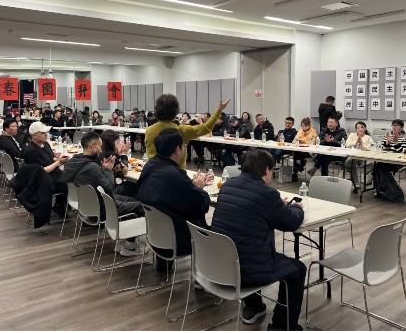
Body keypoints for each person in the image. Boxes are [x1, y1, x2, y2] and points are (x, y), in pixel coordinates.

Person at [211, 149, 305, 331]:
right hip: (247, 270)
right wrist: (296, 207)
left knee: (243, 245)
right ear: (266, 169)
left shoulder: (228, 186)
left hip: (220, 264)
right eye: (272, 170)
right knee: (297, 269)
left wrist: (278, 207)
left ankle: (254, 307)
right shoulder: (267, 194)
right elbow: (292, 222)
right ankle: (282, 327)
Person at [136, 128, 210, 272]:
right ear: (177, 149)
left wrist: (190, 186)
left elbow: (172, 196)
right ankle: (206, 276)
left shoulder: (151, 165)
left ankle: (163, 267)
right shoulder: (173, 175)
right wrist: (199, 188)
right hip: (178, 238)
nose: (184, 149)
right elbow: (201, 205)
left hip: (156, 235)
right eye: (183, 146)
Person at [64, 131, 146, 256]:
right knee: (141, 206)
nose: (101, 149)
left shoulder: (74, 162)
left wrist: (104, 170)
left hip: (89, 205)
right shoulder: (91, 167)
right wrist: (108, 171)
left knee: (132, 200)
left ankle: (123, 241)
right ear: (92, 145)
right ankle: (129, 246)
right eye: (99, 146)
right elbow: (109, 188)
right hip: (104, 207)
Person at [144, 94, 229, 167]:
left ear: (157, 110)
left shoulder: (149, 131)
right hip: (175, 174)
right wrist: (219, 110)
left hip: (152, 173)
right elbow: (206, 128)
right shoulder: (182, 130)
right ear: (175, 112)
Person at [22, 121, 69, 216]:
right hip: (42, 179)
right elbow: (40, 171)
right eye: (43, 133)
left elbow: (49, 159)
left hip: (53, 174)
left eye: (46, 132)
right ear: (34, 136)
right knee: (69, 182)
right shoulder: (31, 151)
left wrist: (58, 159)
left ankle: (63, 202)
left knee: (73, 176)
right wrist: (58, 162)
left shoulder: (45, 144)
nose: (46, 135)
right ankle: (60, 204)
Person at [343, 121, 373, 188]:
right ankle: (357, 184)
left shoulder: (368, 137)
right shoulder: (352, 135)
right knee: (353, 163)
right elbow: (347, 145)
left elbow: (368, 149)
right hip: (351, 156)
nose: (359, 129)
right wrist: (355, 141)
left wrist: (361, 143)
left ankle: (345, 168)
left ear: (365, 128)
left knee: (352, 162)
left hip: (362, 158)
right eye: (358, 128)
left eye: (361, 127)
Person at [291, 117, 318, 181]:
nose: (304, 128)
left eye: (306, 126)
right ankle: (298, 167)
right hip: (300, 149)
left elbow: (313, 142)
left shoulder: (313, 132)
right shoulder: (300, 131)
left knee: (296, 155)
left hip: (309, 151)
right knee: (296, 153)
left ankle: (296, 171)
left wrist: (303, 141)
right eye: (302, 126)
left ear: (309, 126)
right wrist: (298, 141)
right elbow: (294, 141)